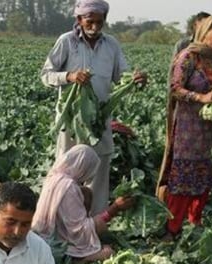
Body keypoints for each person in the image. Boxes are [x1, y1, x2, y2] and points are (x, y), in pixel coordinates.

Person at [40, 0, 147, 216]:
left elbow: (121, 75)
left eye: (100, 22)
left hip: (99, 119)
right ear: (79, 20)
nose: (95, 26)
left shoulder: (111, 45)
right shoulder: (67, 42)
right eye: (90, 21)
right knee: (66, 170)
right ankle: (61, 217)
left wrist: (134, 79)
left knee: (99, 168)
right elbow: (46, 75)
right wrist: (70, 76)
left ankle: (95, 222)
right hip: (72, 121)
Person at [156, 15, 212, 242]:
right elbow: (174, 89)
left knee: (205, 177)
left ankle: (195, 223)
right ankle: (172, 229)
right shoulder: (188, 56)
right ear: (205, 31)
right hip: (187, 130)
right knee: (183, 179)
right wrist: (200, 97)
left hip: (211, 132)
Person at [32, 145, 135, 264]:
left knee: (86, 192)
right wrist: (114, 209)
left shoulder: (53, 177)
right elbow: (79, 231)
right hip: (57, 246)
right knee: (108, 252)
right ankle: (77, 260)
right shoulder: (69, 187)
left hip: (41, 237)